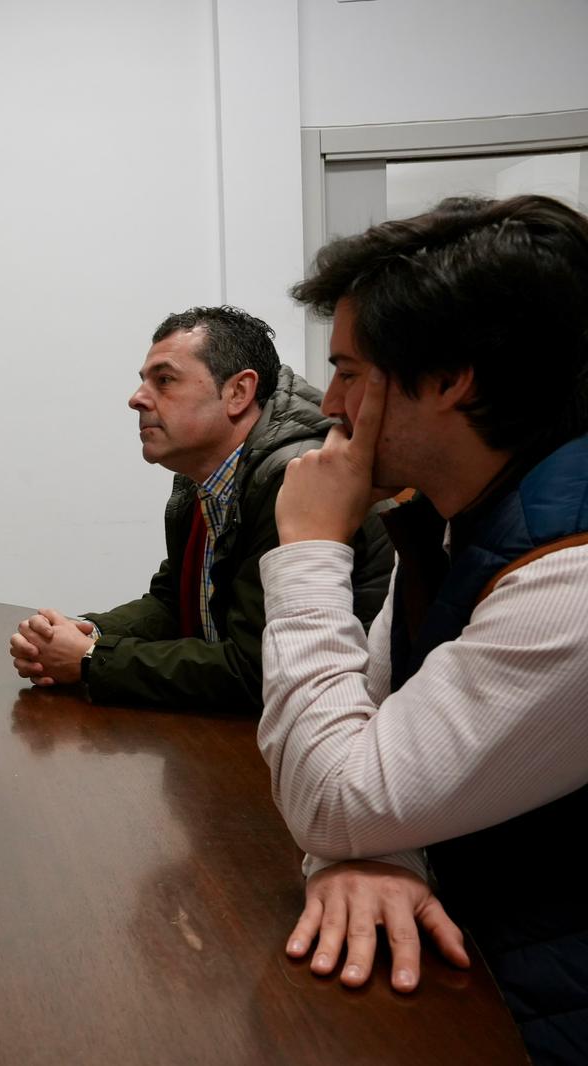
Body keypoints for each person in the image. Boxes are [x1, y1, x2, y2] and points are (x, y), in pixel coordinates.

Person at [257, 194, 588, 1062]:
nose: (327, 401)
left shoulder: (570, 579)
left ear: (452, 379)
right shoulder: (455, 514)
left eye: (351, 371)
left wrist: (309, 550)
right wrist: (370, 857)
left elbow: (339, 794)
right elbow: (359, 755)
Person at [9, 306, 392, 712]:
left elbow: (255, 671)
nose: (136, 399)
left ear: (239, 393)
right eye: (144, 382)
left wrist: (90, 660)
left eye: (165, 380)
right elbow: (174, 602)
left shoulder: (292, 480)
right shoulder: (204, 477)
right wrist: (86, 633)